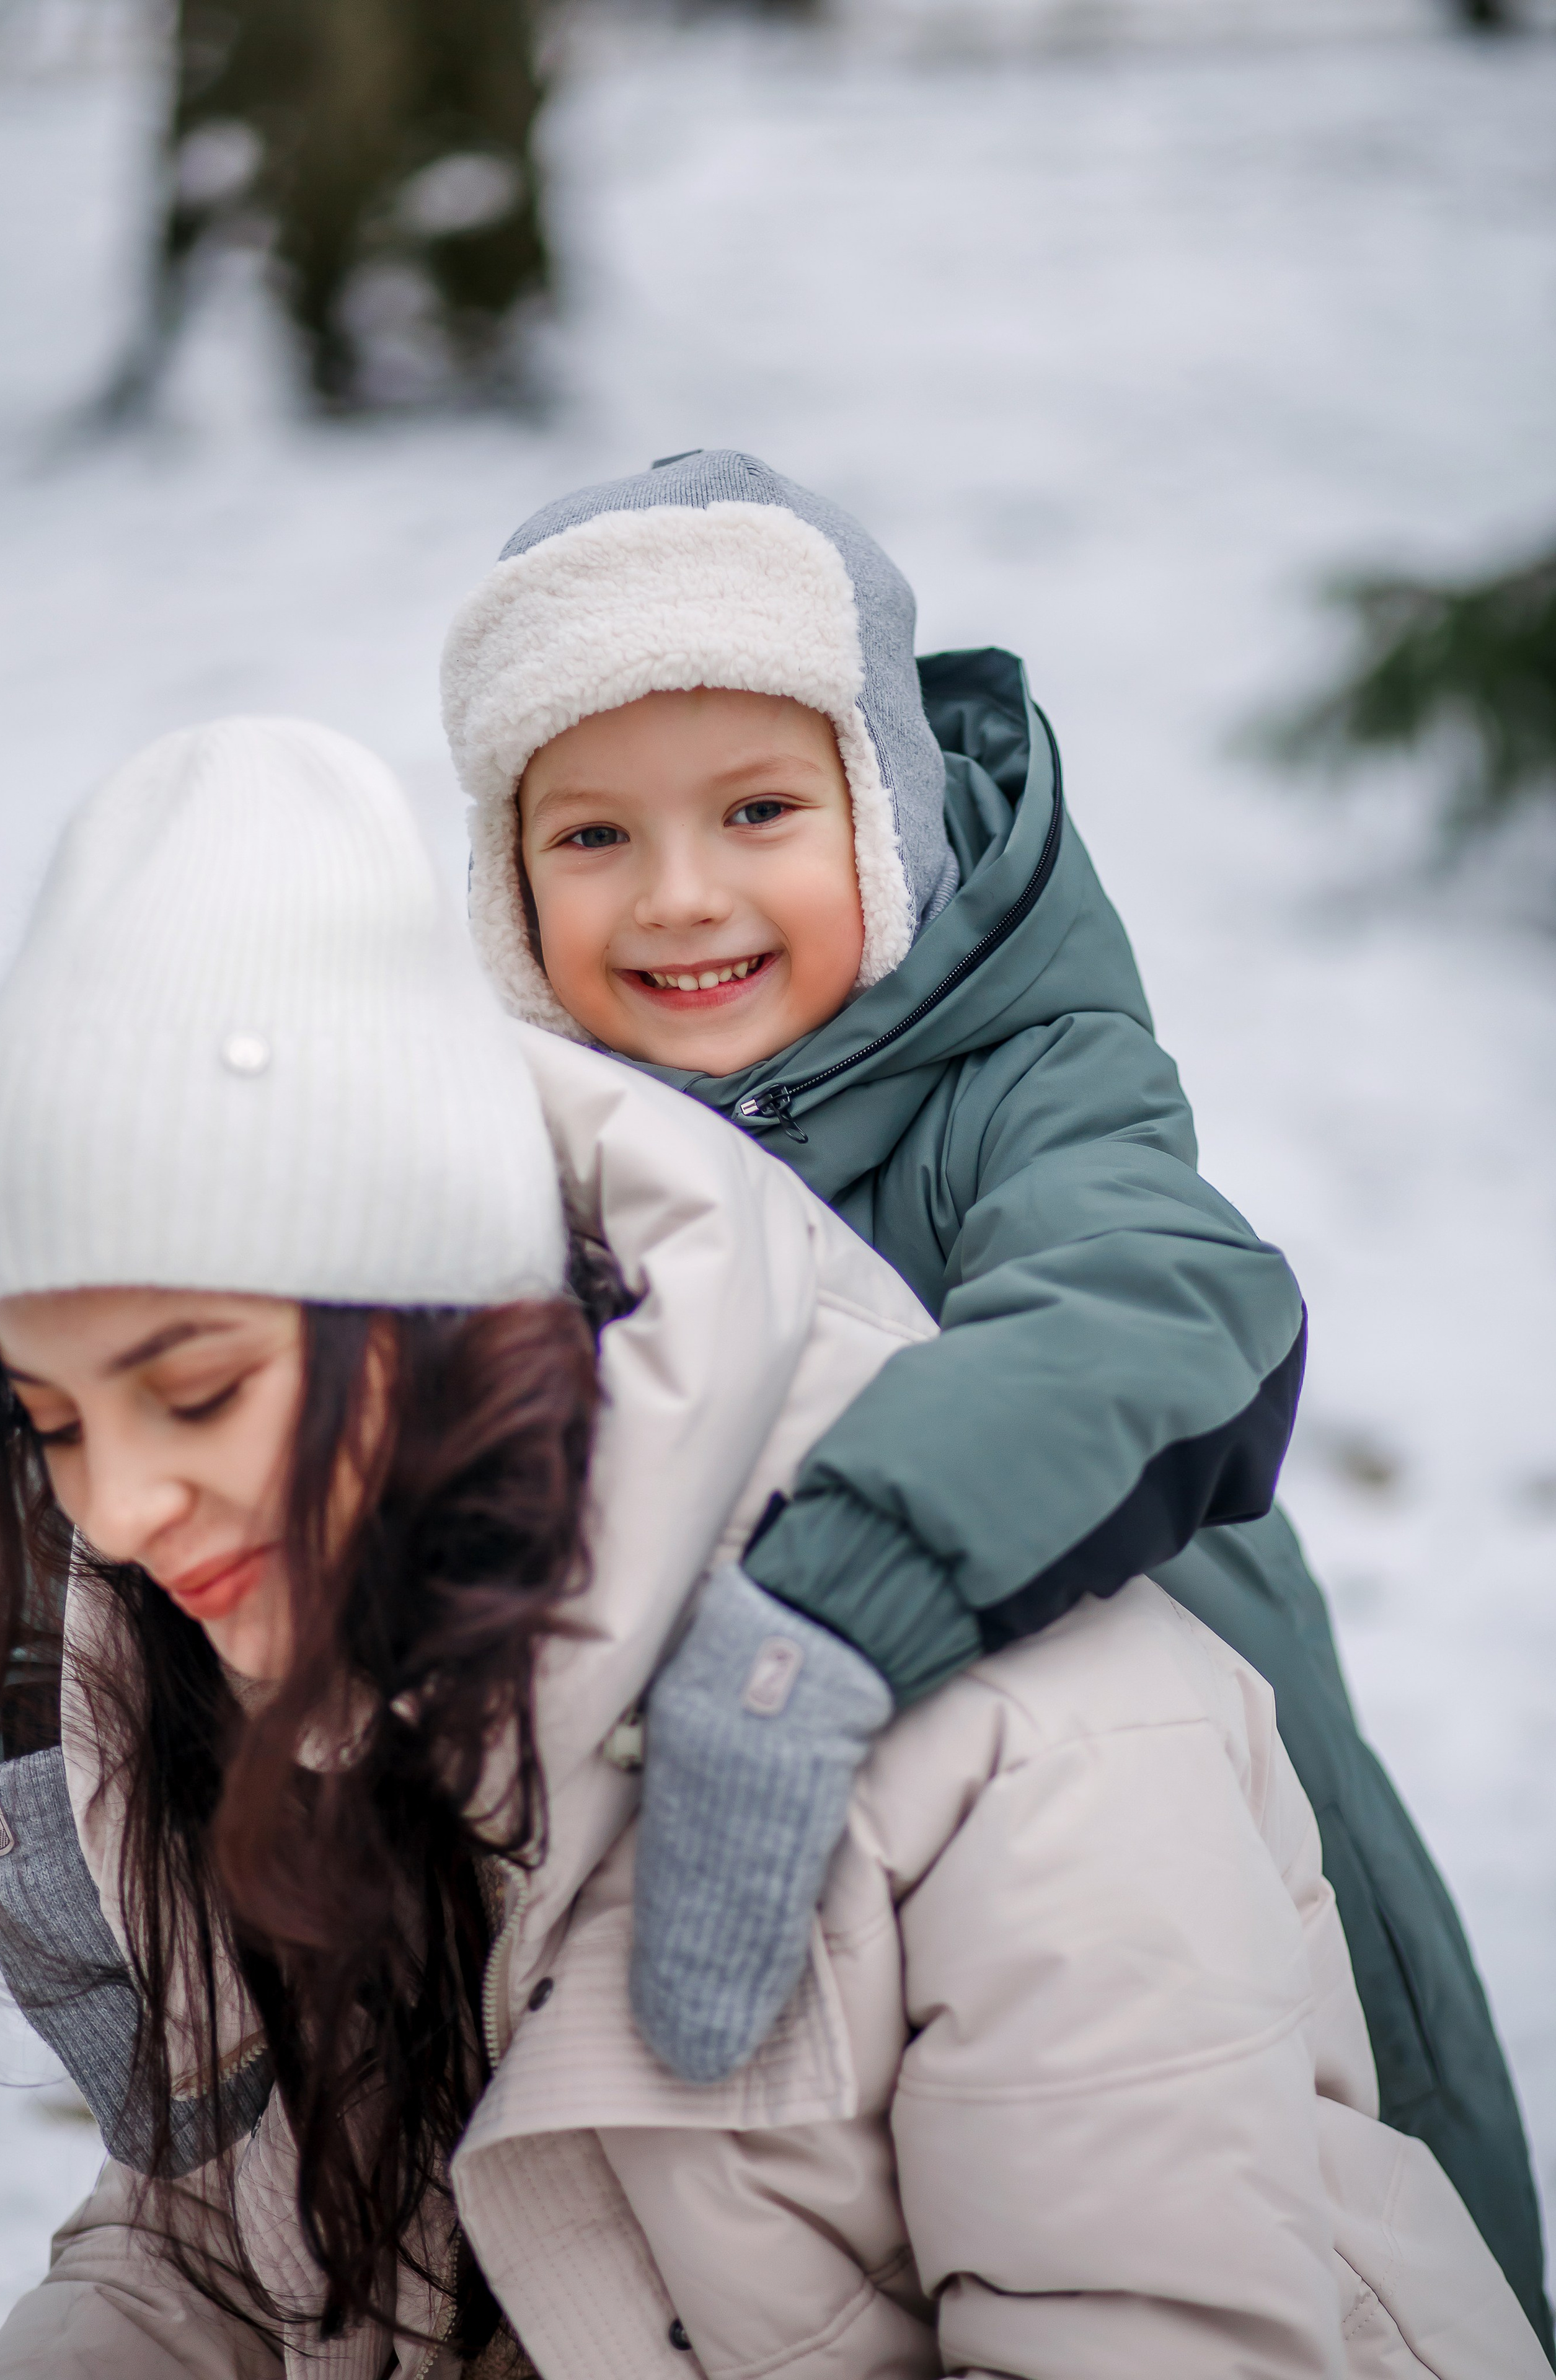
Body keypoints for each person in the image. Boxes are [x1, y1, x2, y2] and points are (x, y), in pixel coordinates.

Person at [0, 716, 1546, 2380]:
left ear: (430, 1318)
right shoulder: (258, 1687)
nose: (118, 1514)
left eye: (199, 1396)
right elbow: (214, 2268)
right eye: (60, 1425)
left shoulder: (1026, 1743)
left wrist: (835, 1625)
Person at [440, 448, 1552, 2349]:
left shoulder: (1019, 1072)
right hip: (787, 1952)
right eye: (593, 837)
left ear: (885, 814)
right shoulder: (514, 1163)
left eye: (761, 807)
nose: (680, 896)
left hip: (1173, 1869)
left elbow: (1162, 1297)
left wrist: (825, 1605)